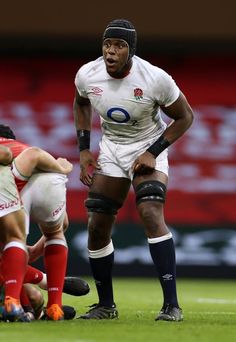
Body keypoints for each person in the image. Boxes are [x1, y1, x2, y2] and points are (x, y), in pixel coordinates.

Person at [73, 19, 194, 321]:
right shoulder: (88, 74)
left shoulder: (154, 78)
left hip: (148, 145)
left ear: (131, 51)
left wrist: (152, 153)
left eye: (119, 46)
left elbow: (185, 117)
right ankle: (105, 305)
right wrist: (85, 150)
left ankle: (172, 305)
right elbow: (81, 102)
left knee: (151, 212)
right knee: (97, 224)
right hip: (112, 149)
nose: (111, 52)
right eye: (107, 45)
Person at [0, 126, 73, 321]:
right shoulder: (21, 148)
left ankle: (15, 303)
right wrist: (63, 169)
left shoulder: (9, 154)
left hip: (15, 184)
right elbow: (63, 224)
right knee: (54, 233)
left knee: (12, 242)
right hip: (50, 182)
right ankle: (54, 306)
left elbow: (33, 156)